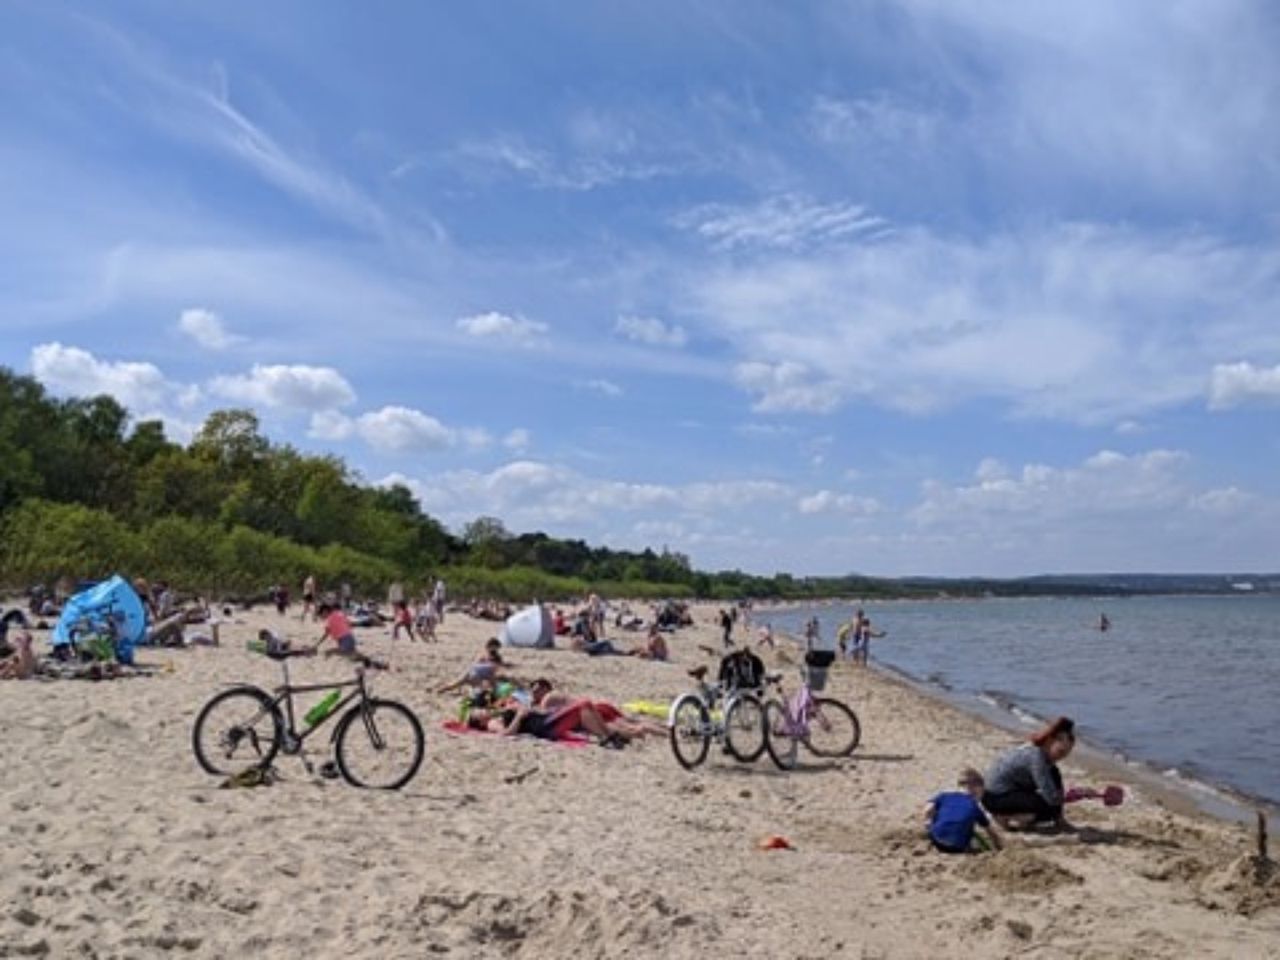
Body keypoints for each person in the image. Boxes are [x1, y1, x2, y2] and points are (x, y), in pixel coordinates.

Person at [983, 716, 1077, 831]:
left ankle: (1059, 820)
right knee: (1047, 808)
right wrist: (1077, 795)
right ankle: (1004, 816)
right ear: (1049, 742)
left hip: (1006, 791)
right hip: (996, 797)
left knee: (1054, 775)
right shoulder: (1036, 758)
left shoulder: (1038, 752)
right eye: (1060, 751)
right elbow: (1051, 797)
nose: (1061, 757)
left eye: (1066, 753)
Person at [925, 768, 1003, 854]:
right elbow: (991, 832)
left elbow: (928, 809)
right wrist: (999, 848)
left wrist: (928, 822)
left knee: (939, 815)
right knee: (968, 829)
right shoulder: (975, 807)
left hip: (935, 839)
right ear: (976, 789)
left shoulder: (944, 795)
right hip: (957, 847)